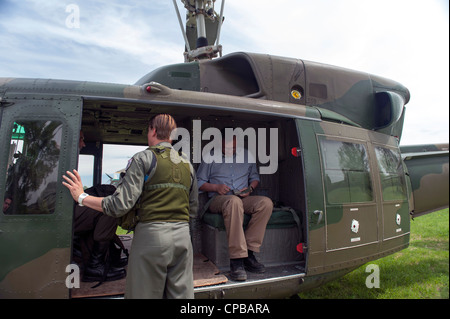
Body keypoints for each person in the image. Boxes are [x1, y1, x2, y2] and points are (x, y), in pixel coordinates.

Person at [63, 114, 198, 298]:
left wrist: (82, 197)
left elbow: (119, 205)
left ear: (153, 131)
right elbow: (193, 208)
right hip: (183, 239)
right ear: (172, 136)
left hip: (152, 238)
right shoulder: (187, 164)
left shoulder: (143, 159)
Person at [196, 133, 273, 281]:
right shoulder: (210, 156)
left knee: (265, 203)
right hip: (218, 199)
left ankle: (249, 254)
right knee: (233, 202)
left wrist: (250, 189)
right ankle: (236, 261)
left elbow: (255, 178)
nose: (231, 150)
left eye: (234, 147)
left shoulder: (246, 155)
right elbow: (199, 182)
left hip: (242, 198)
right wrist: (216, 187)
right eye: (227, 147)